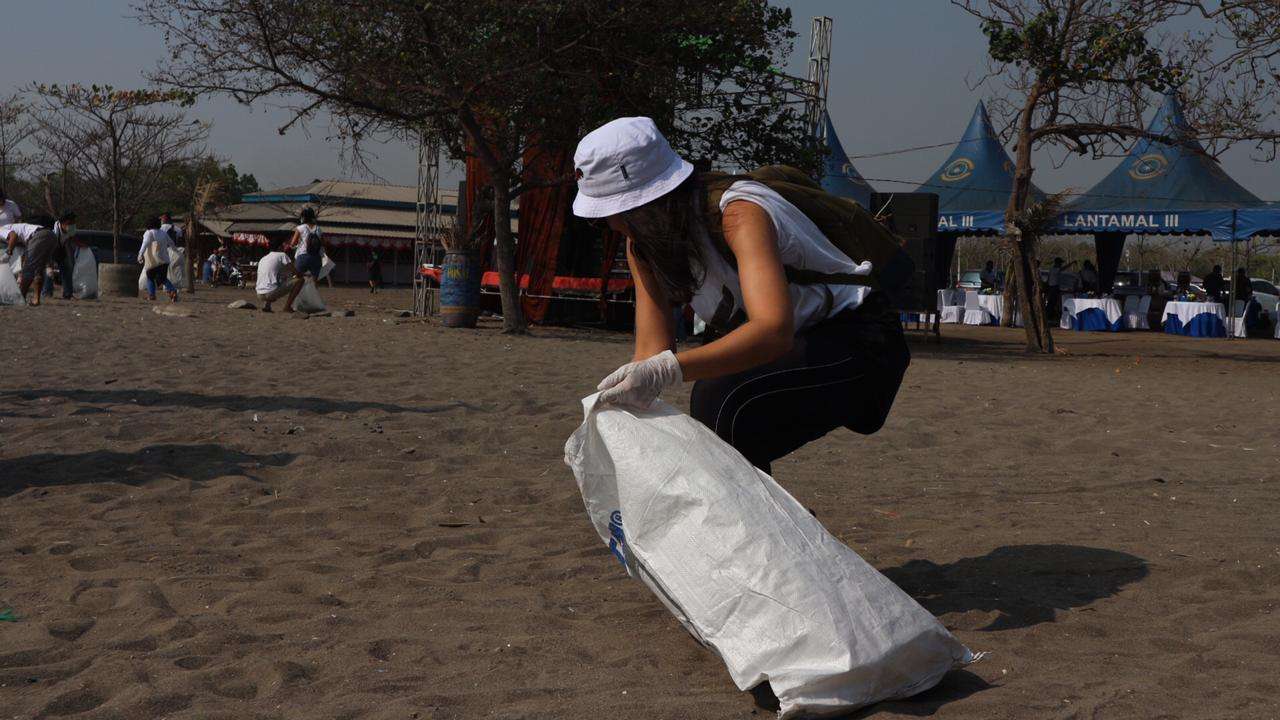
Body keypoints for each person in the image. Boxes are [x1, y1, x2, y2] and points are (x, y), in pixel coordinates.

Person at [575, 117, 910, 476]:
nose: (612, 225)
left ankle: (753, 512)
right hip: (798, 346)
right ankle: (753, 511)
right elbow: (650, 352)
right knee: (715, 422)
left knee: (719, 400)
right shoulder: (641, 245)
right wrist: (624, 397)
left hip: (862, 341)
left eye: (612, 214)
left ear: (649, 202)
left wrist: (667, 370)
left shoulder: (739, 214)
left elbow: (772, 331)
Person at [3, 218, 57, 306]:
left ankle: (20, 299)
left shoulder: (1, 229)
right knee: (39, 269)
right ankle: (36, 299)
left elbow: (14, 236)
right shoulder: (14, 228)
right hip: (51, 235)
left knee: (28, 269)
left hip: (38, 236)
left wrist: (7, 254)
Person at [282, 207, 323, 312]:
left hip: (303, 256)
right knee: (314, 282)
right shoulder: (318, 229)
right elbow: (322, 243)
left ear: (303, 217)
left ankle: (288, 305)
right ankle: (314, 304)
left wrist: (291, 244)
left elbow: (293, 243)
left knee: (297, 280)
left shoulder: (300, 228)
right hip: (316, 257)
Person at [137, 215, 179, 302]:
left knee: (150, 277)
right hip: (164, 260)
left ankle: (152, 295)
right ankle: (172, 290)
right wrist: (176, 251)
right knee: (162, 278)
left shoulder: (149, 233)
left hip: (153, 260)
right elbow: (171, 243)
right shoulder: (163, 233)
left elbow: (145, 244)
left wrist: (140, 254)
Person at [255, 237, 294, 312]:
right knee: (300, 280)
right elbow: (295, 271)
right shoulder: (282, 255)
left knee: (271, 280)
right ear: (279, 247)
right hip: (270, 293)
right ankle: (288, 307)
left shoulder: (263, 258)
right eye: (283, 245)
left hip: (259, 294)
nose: (284, 247)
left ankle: (267, 305)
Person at [51, 211, 78, 300]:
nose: (72, 225)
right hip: (49, 249)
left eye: (73, 222)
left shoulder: (70, 229)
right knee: (49, 271)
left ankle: (68, 293)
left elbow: (71, 239)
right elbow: (50, 246)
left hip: (61, 249)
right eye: (69, 223)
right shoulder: (54, 231)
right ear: (62, 223)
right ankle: (46, 292)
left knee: (67, 269)